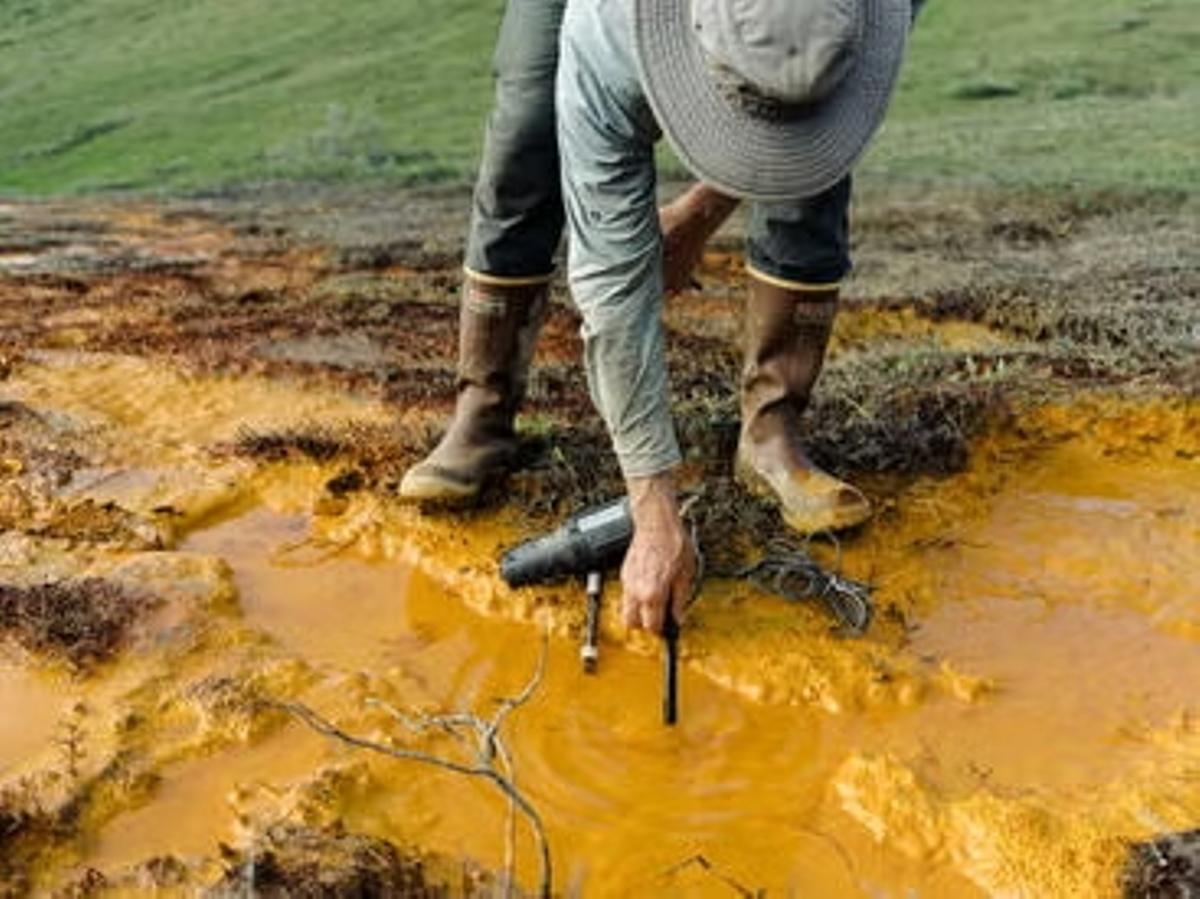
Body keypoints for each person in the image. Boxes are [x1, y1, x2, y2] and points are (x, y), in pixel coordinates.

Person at [401, 0, 912, 636]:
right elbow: (613, 287)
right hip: (617, 29)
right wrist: (654, 512)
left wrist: (701, 211)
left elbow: (806, 84)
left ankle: (771, 435)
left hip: (787, 38)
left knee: (813, 167)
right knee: (527, 128)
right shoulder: (604, 36)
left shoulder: (873, 14)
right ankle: (483, 411)